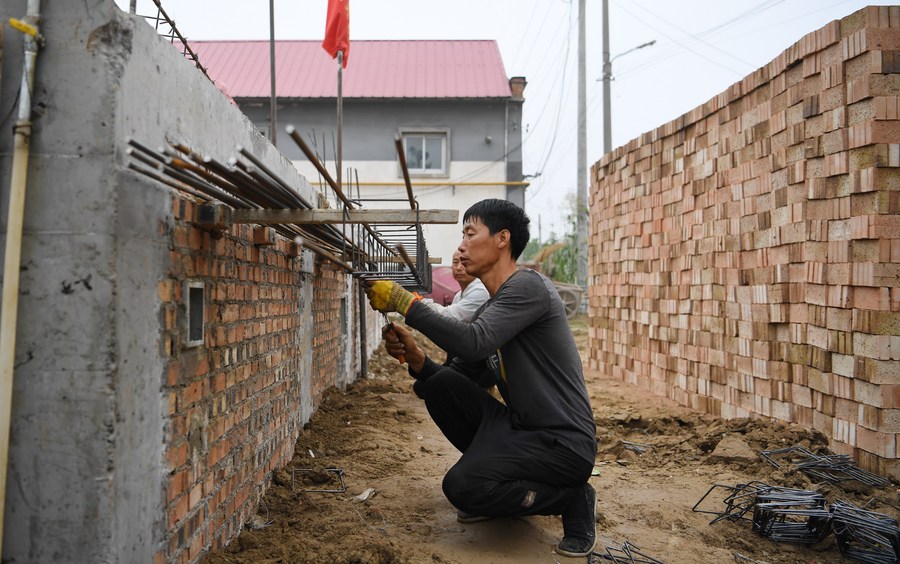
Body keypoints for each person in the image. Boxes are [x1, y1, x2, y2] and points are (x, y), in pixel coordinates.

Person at [365, 199, 598, 557]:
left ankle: (572, 497)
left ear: (502, 238)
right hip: (522, 431)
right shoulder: (491, 309)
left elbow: (473, 344)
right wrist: (416, 358)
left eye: (470, 233)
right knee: (441, 385)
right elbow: (458, 377)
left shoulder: (530, 287)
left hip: (562, 444)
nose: (461, 246)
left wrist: (405, 302)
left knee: (462, 487)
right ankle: (501, 486)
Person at [420, 250, 489, 322]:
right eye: (455, 262)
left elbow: (450, 317)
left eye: (464, 263)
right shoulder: (458, 295)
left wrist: (421, 302)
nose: (458, 268)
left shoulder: (480, 290)